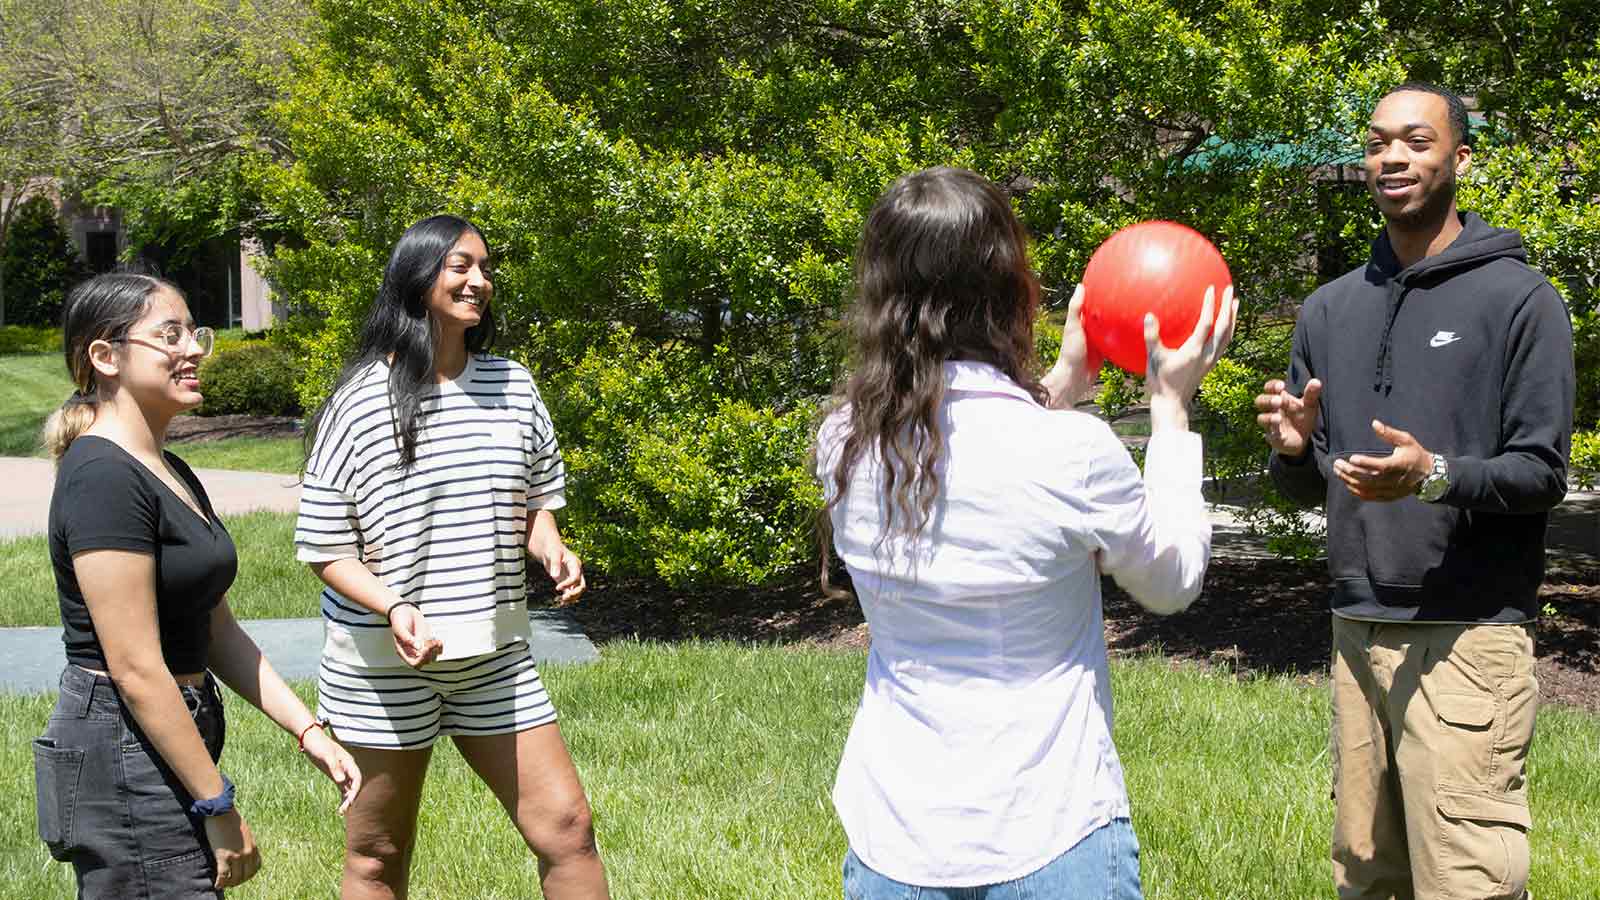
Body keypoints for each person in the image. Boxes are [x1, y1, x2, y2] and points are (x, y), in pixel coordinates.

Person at [814, 166, 1237, 898]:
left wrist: (1065, 380)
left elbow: (971, 443)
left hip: (895, 836)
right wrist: (1170, 411)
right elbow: (1170, 584)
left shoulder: (844, 442)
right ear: (1011, 288)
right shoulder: (1071, 451)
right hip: (1050, 830)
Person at [1254, 82, 1574, 900]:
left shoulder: (1521, 301)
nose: (1391, 157)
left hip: (1467, 637)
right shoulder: (1329, 308)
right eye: (1376, 143)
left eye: (1416, 140)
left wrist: (1432, 475)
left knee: (1467, 883)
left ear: (1459, 157)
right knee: (1367, 879)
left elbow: (1542, 472)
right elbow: (1310, 484)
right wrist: (1293, 452)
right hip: (1355, 629)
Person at [295, 214, 608, 899]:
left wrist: (551, 544)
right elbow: (323, 547)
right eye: (460, 265)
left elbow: (537, 501)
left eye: (486, 267)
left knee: (569, 829)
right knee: (378, 853)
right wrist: (394, 604)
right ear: (417, 276)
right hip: (384, 668)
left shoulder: (513, 385)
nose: (479, 280)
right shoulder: (359, 401)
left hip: (494, 659)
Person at [32, 272, 362, 899]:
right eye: (170, 334)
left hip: (163, 731)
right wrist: (217, 805)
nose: (194, 350)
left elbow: (217, 629)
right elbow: (133, 666)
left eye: (194, 332)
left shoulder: (168, 467)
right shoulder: (103, 477)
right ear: (106, 357)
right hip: (123, 740)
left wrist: (308, 731)